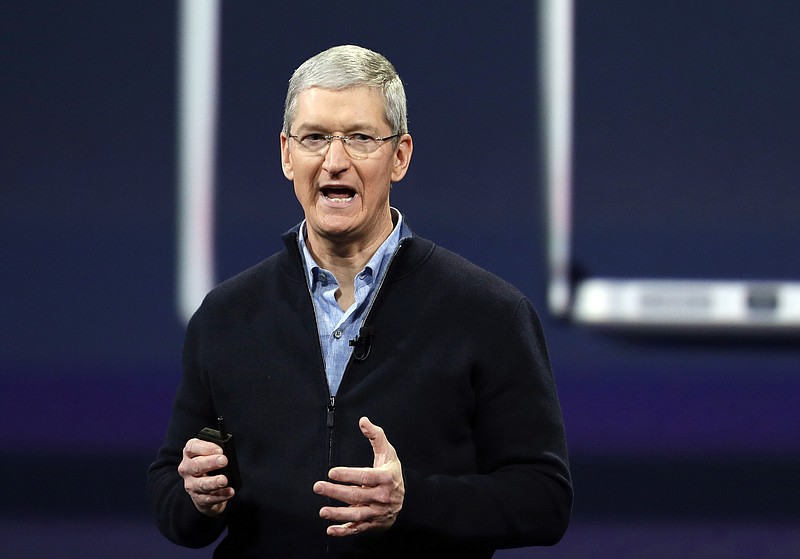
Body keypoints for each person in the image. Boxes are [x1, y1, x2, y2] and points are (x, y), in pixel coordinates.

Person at [148, 44, 572, 558]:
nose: (334, 161)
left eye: (360, 138)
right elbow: (172, 493)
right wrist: (197, 497)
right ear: (287, 154)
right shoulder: (226, 315)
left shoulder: (488, 313)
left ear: (400, 157)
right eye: (315, 138)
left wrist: (410, 500)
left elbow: (544, 500)